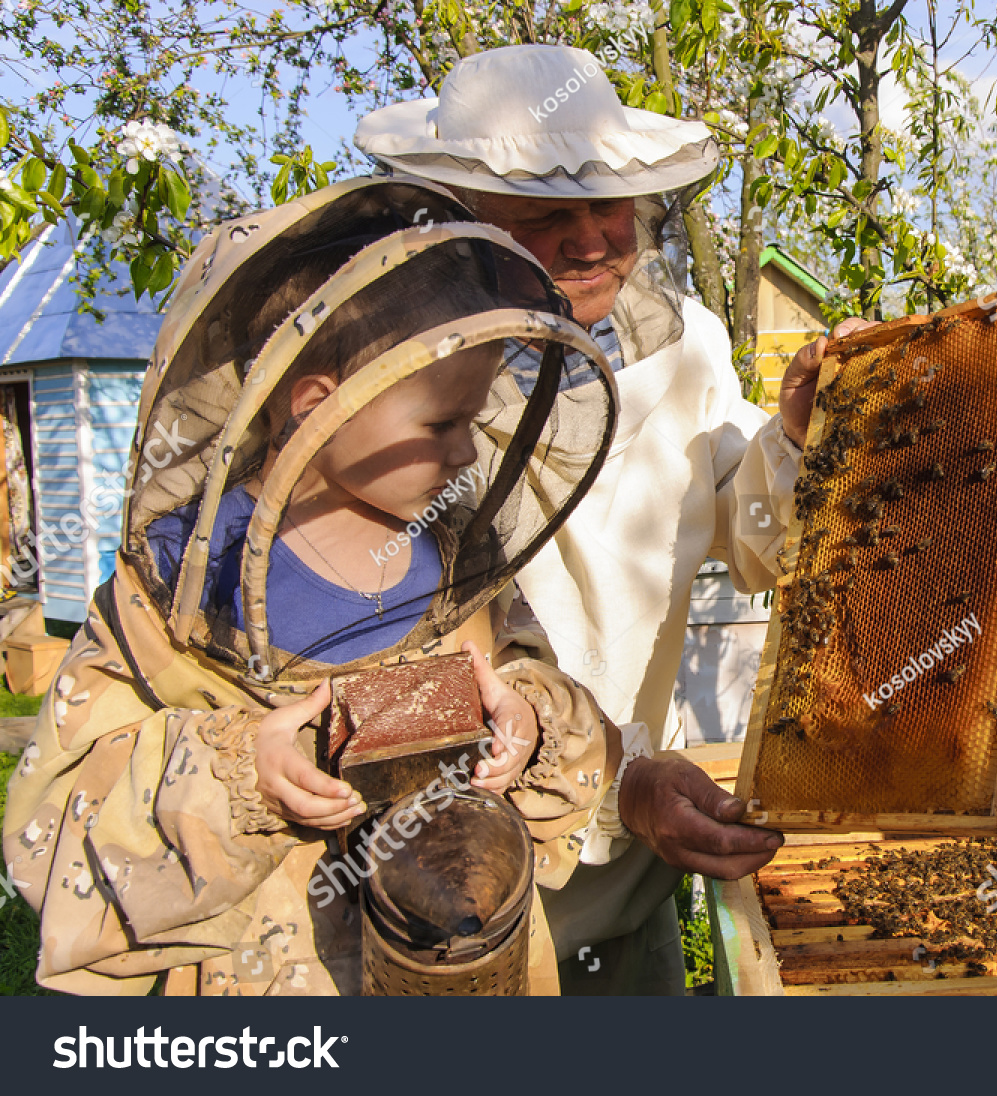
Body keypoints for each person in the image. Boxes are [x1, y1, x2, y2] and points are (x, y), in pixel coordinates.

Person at [1, 177, 624, 994]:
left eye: (474, 421)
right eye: (442, 425)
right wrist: (244, 775)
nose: (470, 454)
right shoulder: (183, 585)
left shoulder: (447, 551)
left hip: (457, 956)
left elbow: (520, 676)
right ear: (316, 408)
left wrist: (519, 715)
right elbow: (59, 815)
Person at [355, 43, 870, 993]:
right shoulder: (386, 390)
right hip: (446, 872)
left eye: (609, 206)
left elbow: (759, 543)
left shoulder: (685, 344)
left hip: (636, 848)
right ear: (463, 216)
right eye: (548, 214)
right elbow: (384, 668)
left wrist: (800, 436)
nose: (591, 240)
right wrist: (604, 784)